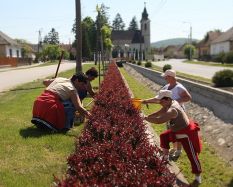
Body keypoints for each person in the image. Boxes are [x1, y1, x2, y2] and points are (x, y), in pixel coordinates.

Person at [144, 90, 202, 186]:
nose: (159, 103)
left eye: (161, 101)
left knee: (192, 155)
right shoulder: (169, 103)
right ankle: (165, 158)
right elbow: (160, 112)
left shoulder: (173, 109)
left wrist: (146, 118)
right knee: (164, 137)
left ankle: (198, 177)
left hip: (185, 133)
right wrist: (149, 116)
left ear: (167, 99)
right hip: (176, 130)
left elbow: (159, 120)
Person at [142, 69, 192, 161]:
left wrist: (176, 103)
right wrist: (146, 101)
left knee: (178, 131)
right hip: (168, 111)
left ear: (171, 77)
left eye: (166, 77)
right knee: (171, 131)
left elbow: (188, 97)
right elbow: (158, 98)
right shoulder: (167, 86)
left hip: (177, 113)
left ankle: (178, 150)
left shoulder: (179, 87)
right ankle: (174, 147)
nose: (164, 78)